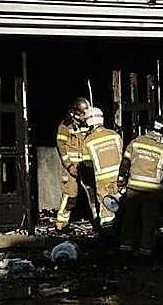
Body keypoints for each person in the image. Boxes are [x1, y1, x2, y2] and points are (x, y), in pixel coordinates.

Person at [117, 116, 163, 257]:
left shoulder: (135, 143)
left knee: (129, 221)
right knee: (148, 223)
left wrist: (120, 181)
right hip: (152, 192)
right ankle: (146, 252)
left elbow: (125, 164)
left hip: (133, 190)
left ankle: (125, 249)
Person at [55, 97, 93, 232]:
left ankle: (97, 222)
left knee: (92, 195)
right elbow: (61, 147)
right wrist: (69, 165)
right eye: (83, 113)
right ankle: (61, 224)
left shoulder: (88, 124)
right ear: (76, 112)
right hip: (71, 167)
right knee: (70, 195)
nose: (85, 116)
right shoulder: (65, 126)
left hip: (86, 166)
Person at [83, 107, 124, 230]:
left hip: (103, 180)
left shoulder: (88, 141)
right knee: (122, 206)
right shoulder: (115, 135)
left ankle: (108, 237)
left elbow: (87, 163)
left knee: (106, 211)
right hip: (119, 178)